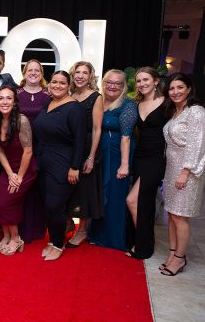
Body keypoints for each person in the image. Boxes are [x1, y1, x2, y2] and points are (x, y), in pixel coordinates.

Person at [32, 70, 86, 261]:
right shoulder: (48, 104)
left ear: (69, 85)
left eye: (62, 83)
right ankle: (53, 239)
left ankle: (58, 243)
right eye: (54, 82)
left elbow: (80, 140)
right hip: (44, 162)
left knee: (54, 206)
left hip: (63, 163)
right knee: (48, 207)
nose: (57, 85)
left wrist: (75, 166)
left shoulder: (74, 108)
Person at [160, 73, 205, 276]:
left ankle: (179, 259)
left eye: (180, 87)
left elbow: (197, 145)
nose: (175, 92)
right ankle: (173, 253)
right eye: (172, 88)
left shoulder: (196, 113)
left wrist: (185, 171)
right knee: (171, 214)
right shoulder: (176, 112)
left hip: (187, 171)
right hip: (172, 169)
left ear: (189, 89)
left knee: (180, 216)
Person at [89, 70, 138, 250]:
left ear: (123, 85)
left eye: (117, 83)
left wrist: (124, 165)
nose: (112, 86)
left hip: (117, 154)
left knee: (114, 195)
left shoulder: (128, 105)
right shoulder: (99, 100)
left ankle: (114, 238)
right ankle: (97, 235)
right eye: (109, 82)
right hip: (100, 153)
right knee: (101, 194)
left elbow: (126, 136)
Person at [125, 67, 168, 259]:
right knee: (145, 202)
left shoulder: (167, 103)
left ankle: (143, 245)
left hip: (157, 158)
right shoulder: (136, 103)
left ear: (156, 81)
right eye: (139, 81)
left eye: (146, 80)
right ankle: (142, 243)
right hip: (140, 157)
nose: (142, 84)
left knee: (132, 200)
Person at [0, 86, 37, 255]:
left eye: (9, 98)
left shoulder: (21, 120)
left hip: (26, 169)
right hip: (9, 168)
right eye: (1, 98)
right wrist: (10, 173)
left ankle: (16, 239)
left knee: (7, 202)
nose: (5, 102)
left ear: (15, 102)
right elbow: (0, 150)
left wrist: (19, 177)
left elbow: (28, 151)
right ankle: (6, 236)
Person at [66, 61, 104, 247]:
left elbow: (97, 129)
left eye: (84, 73)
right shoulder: (69, 94)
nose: (80, 76)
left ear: (90, 76)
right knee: (69, 188)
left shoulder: (96, 97)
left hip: (87, 145)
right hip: (69, 145)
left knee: (85, 190)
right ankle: (68, 224)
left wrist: (91, 156)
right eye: (77, 72)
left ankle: (82, 230)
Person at [16, 59, 50, 243]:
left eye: (37, 70)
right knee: (21, 189)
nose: (34, 73)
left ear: (42, 73)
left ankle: (37, 229)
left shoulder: (49, 95)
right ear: (24, 72)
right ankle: (19, 228)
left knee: (38, 190)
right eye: (30, 70)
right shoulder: (15, 94)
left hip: (42, 148)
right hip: (19, 149)